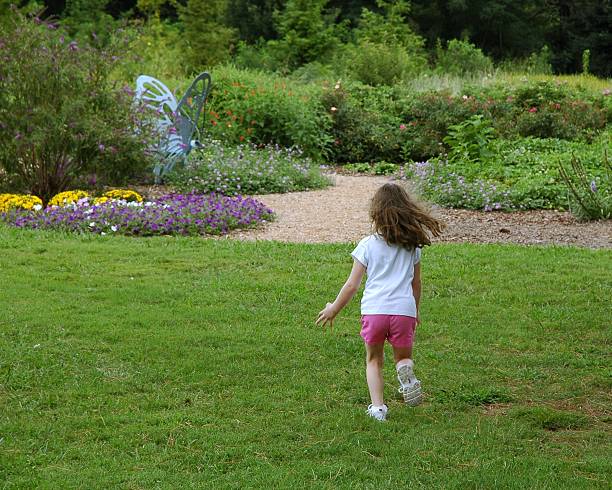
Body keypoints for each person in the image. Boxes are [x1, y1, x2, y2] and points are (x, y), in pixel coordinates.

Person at [315, 183, 444, 421]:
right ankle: (405, 371)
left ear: (376, 212)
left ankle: (378, 409)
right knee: (402, 357)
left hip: (375, 311)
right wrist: (414, 311)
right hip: (403, 311)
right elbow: (416, 284)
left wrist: (333, 308)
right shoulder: (411, 247)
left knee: (374, 360)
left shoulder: (367, 245)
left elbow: (352, 285)